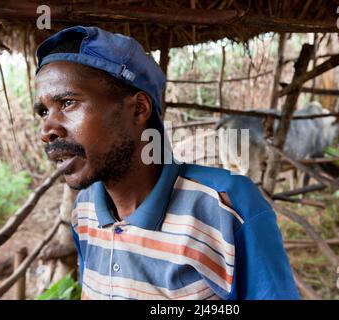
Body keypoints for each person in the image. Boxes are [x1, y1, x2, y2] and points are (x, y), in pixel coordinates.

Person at [34, 26, 299, 300]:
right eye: (43, 111)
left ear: (138, 109)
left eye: (67, 102)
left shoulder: (224, 207)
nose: (47, 130)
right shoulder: (85, 211)